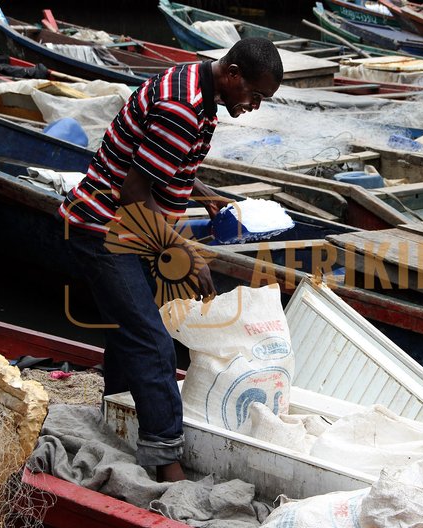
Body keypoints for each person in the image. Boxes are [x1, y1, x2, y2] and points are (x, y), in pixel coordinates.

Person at [58, 38, 284, 482]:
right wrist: (186, 253)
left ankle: (118, 417)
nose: (255, 106)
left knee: (129, 333)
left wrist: (200, 192)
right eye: (254, 95)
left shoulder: (201, 89)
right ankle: (166, 461)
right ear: (233, 74)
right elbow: (133, 193)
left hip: (132, 230)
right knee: (152, 341)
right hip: (105, 227)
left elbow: (158, 158)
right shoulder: (183, 106)